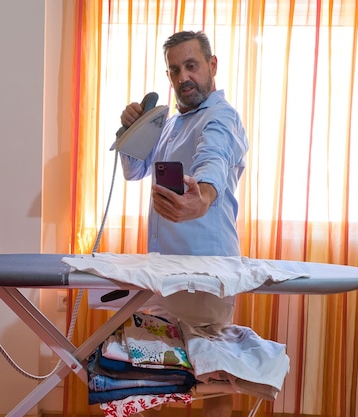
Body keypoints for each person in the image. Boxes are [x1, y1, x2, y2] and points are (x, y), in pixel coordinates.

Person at [119, 30, 249, 417]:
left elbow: (214, 161)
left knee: (211, 378)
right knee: (147, 375)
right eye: (175, 70)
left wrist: (203, 196)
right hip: (162, 274)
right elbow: (134, 169)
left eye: (191, 66)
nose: (183, 77)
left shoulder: (220, 117)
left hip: (205, 273)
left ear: (212, 66)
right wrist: (133, 129)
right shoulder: (172, 124)